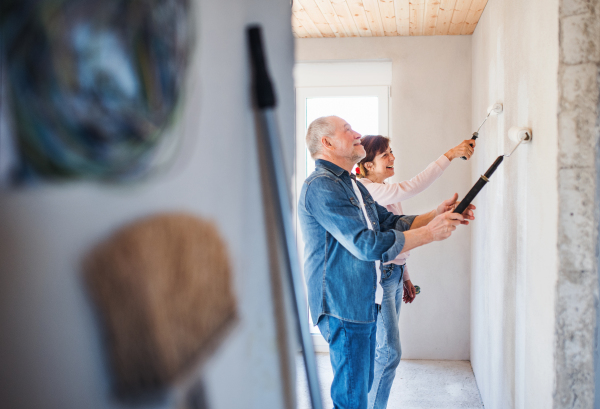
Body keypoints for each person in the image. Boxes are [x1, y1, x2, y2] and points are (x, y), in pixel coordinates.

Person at [298, 115, 475, 409]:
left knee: (361, 388)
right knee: (352, 397)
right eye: (347, 130)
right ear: (326, 143)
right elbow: (365, 244)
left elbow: (389, 222)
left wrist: (437, 214)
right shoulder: (321, 186)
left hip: (364, 301)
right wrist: (430, 233)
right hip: (343, 305)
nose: (357, 133)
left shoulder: (352, 185)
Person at [356, 135, 475, 409]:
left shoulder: (383, 190)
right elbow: (411, 187)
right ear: (367, 165)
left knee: (382, 352)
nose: (392, 158)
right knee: (387, 353)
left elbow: (398, 231)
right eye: (385, 155)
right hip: (381, 277)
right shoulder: (367, 189)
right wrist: (450, 154)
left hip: (394, 275)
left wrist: (405, 276)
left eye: (391, 152)